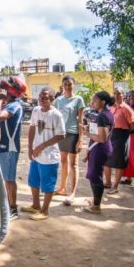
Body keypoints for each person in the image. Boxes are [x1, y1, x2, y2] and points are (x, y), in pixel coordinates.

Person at [22, 88, 65, 221]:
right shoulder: (36, 110)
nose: (41, 99)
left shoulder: (56, 115)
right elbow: (32, 128)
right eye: (40, 96)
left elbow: (61, 135)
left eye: (45, 97)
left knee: (48, 184)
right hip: (36, 154)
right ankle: (36, 205)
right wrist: (30, 147)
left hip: (49, 156)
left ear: (52, 99)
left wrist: (41, 146)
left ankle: (44, 211)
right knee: (33, 181)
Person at [0, 76, 26, 219]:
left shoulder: (14, 106)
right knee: (5, 179)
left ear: (11, 91)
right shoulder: (7, 105)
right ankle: (7, 206)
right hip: (2, 148)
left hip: (9, 149)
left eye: (3, 89)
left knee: (9, 180)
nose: (1, 91)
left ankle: (13, 209)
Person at [79, 91, 114, 214]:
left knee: (95, 177)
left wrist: (87, 133)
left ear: (103, 102)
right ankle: (95, 201)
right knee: (95, 175)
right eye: (92, 100)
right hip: (100, 148)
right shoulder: (106, 114)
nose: (92, 102)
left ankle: (96, 207)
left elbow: (102, 138)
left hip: (100, 149)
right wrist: (89, 130)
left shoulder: (102, 116)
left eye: (95, 100)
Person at [54, 75, 86, 204]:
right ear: (62, 86)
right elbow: (55, 118)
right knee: (63, 161)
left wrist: (80, 140)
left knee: (74, 164)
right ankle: (62, 188)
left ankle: (72, 193)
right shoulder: (58, 100)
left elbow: (81, 121)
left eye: (70, 84)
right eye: (65, 84)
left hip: (73, 135)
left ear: (74, 85)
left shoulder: (78, 100)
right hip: (61, 134)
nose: (67, 86)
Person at [103, 88, 134, 194]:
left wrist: (124, 132)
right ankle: (108, 182)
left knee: (119, 162)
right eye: (115, 94)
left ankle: (115, 186)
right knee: (107, 160)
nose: (117, 96)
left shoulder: (127, 109)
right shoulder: (111, 108)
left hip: (122, 136)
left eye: (119, 94)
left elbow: (133, 125)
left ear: (123, 95)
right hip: (111, 135)